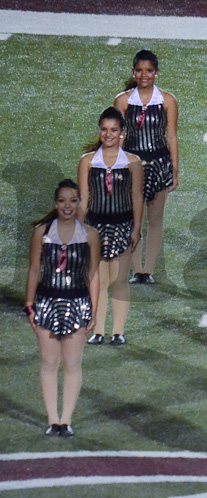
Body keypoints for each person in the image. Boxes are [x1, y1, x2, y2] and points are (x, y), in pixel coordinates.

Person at [24, 179, 100, 436]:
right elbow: (35, 270)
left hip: (77, 303)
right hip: (46, 303)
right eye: (63, 201)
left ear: (79, 203)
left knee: (72, 363)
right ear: (55, 203)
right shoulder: (41, 233)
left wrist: (93, 310)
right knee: (49, 362)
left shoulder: (90, 235)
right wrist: (29, 305)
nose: (68, 206)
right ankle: (52, 420)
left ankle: (66, 421)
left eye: (73, 201)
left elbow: (93, 275)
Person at [78, 107, 143, 345]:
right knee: (99, 281)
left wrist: (136, 229)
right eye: (104, 130)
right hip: (95, 227)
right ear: (99, 131)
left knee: (119, 280)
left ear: (122, 132)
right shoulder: (87, 161)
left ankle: (118, 331)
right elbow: (83, 199)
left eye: (113, 130)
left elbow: (137, 197)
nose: (108, 134)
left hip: (123, 226)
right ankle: (98, 330)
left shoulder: (132, 162)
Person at [114, 48, 179, 285]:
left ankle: (148, 271)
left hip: (160, 164)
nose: (144, 75)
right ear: (133, 72)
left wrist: (174, 169)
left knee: (155, 219)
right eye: (140, 71)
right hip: (132, 165)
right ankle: (135, 270)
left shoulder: (168, 101)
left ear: (156, 73)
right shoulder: (122, 101)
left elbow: (171, 136)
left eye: (149, 71)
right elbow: (118, 137)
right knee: (134, 219)